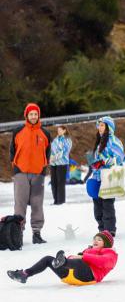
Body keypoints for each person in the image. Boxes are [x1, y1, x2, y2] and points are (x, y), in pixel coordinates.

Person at [7, 231, 118, 286]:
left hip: (89, 277)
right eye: (95, 239)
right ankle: (25, 274)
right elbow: (78, 259)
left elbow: (105, 262)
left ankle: (62, 262)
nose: (95, 241)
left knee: (79, 261)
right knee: (47, 259)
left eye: (99, 239)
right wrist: (75, 257)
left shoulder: (110, 253)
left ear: (106, 243)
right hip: (70, 275)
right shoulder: (88, 250)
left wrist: (83, 256)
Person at [10, 103, 51, 244]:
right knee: (20, 203)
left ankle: (37, 233)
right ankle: (18, 233)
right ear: (26, 115)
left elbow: (47, 153)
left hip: (38, 173)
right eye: (31, 114)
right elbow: (12, 151)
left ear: (38, 115)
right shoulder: (18, 131)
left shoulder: (45, 133)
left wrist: (43, 167)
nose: (33, 116)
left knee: (37, 203)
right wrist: (15, 166)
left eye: (35, 114)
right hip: (21, 172)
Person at [90, 117, 125, 236]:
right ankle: (101, 228)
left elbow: (119, 158)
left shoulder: (114, 141)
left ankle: (110, 230)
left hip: (109, 177)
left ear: (109, 127)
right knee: (97, 205)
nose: (99, 128)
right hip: (98, 177)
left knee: (107, 204)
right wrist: (94, 164)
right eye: (98, 125)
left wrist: (104, 162)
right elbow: (95, 160)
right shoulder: (99, 141)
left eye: (102, 125)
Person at [49, 125, 72, 205]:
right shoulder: (55, 140)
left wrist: (54, 157)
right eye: (57, 130)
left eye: (60, 130)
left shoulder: (67, 140)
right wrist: (50, 157)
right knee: (53, 182)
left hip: (62, 163)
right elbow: (51, 150)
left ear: (64, 130)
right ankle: (55, 200)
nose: (58, 131)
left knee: (60, 182)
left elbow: (65, 151)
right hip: (53, 164)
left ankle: (61, 201)